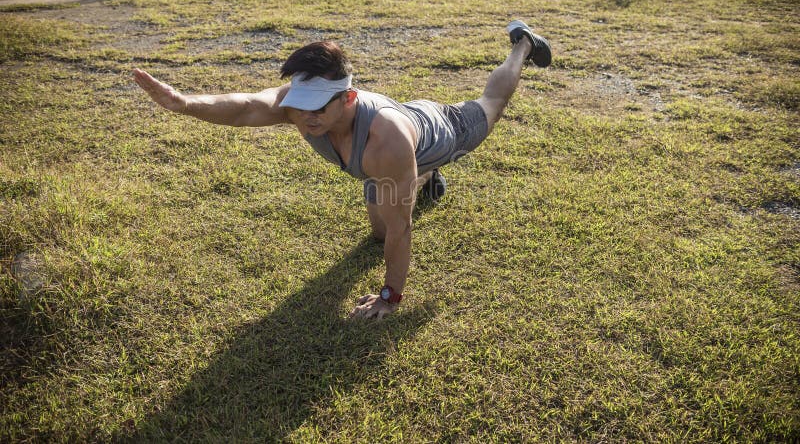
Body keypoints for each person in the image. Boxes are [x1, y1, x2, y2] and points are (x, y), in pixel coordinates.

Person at [133, 20, 551, 319]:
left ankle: (522, 46)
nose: (308, 118)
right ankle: (418, 178)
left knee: (490, 106)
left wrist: (390, 296)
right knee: (378, 234)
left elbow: (404, 231)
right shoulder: (298, 106)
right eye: (302, 105)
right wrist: (184, 104)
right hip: (392, 159)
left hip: (438, 132)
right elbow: (245, 109)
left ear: (348, 99)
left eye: (320, 107)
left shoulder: (383, 141)